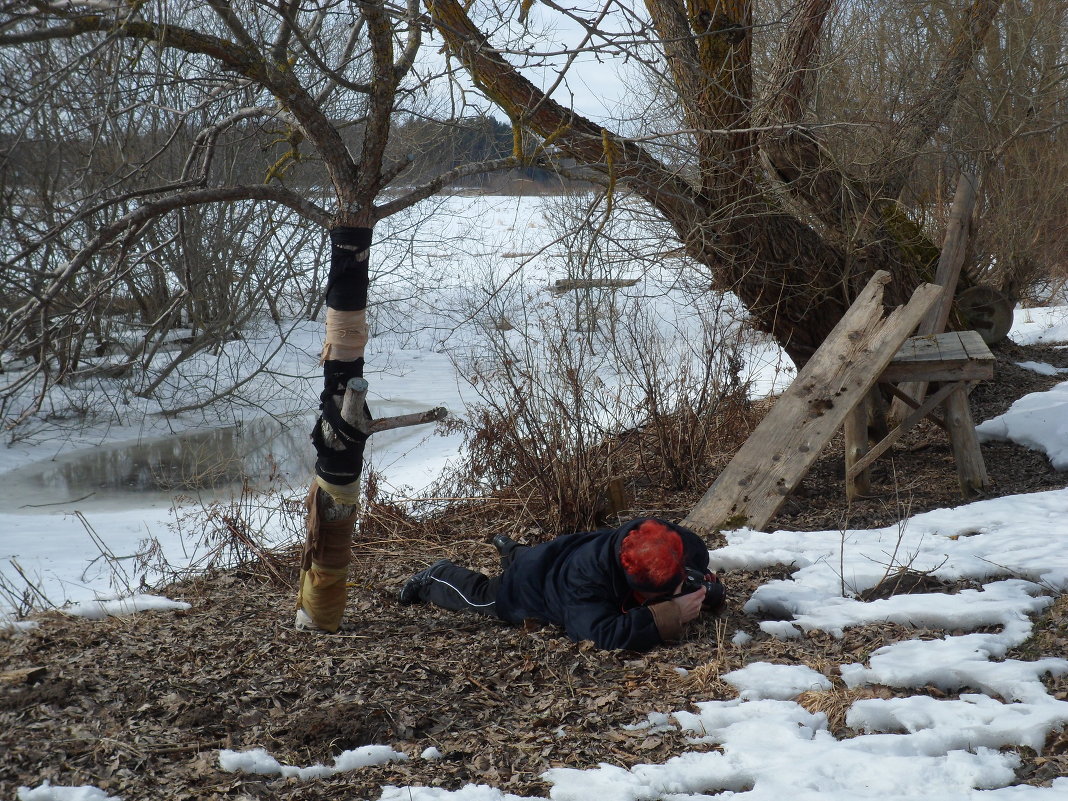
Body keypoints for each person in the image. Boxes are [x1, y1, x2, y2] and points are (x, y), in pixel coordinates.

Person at [398, 517, 726, 651]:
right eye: (658, 594)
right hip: (534, 582)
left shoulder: (667, 539)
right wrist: (672, 613)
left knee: (535, 555)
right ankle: (436, 575)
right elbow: (597, 634)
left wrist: (702, 587)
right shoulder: (585, 581)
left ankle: (511, 550)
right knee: (485, 598)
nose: (672, 594)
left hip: (564, 550)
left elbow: (696, 566)